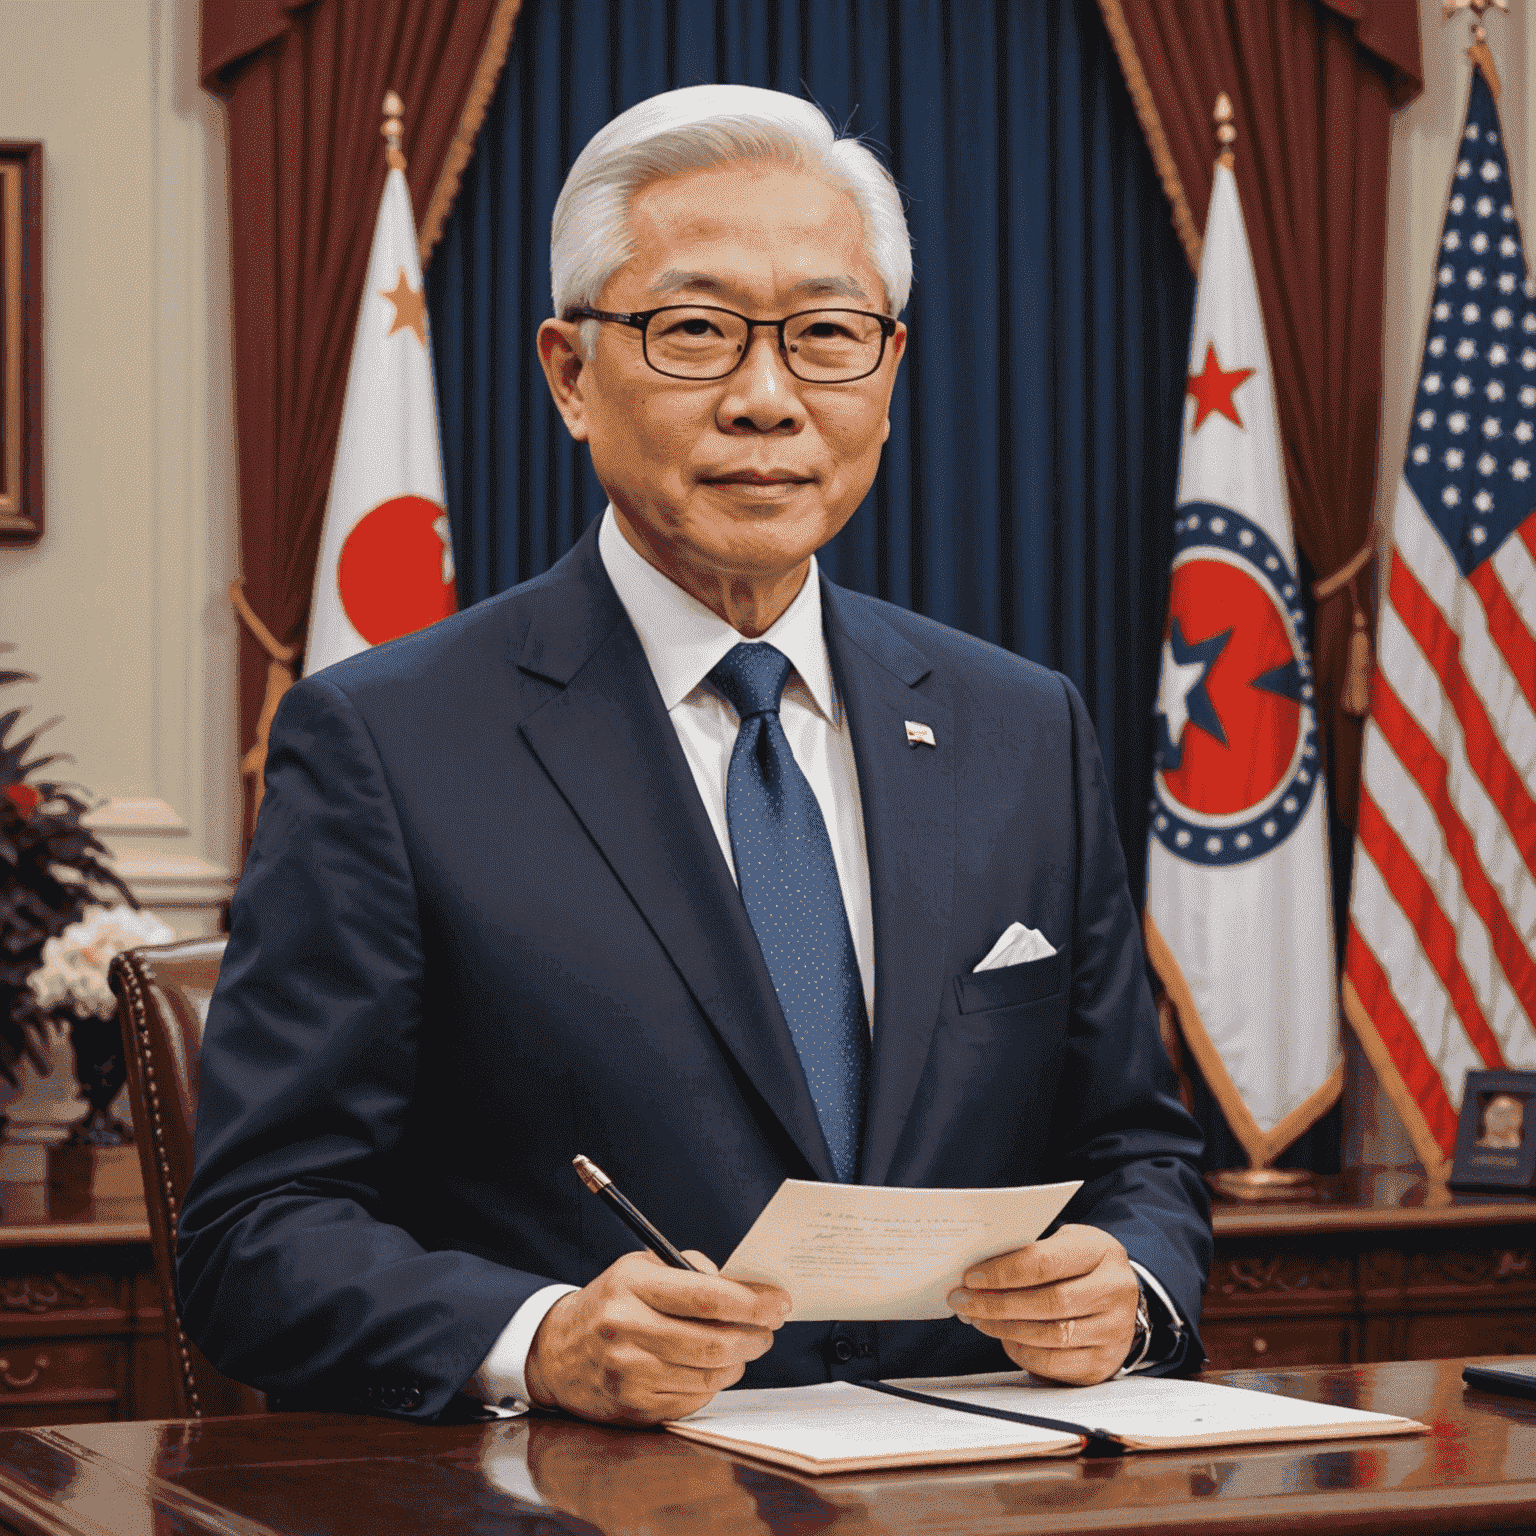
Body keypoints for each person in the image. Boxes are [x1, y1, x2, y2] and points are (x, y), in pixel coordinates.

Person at [179, 84, 1211, 1427]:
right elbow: (256, 1235)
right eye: (695, 333)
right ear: (568, 372)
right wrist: (542, 1340)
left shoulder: (1022, 726)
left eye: (828, 335)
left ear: (888, 372)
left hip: (975, 1492)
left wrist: (1126, 1285)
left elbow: (1137, 1151)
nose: (769, 399)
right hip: (588, 1503)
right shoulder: (385, 741)